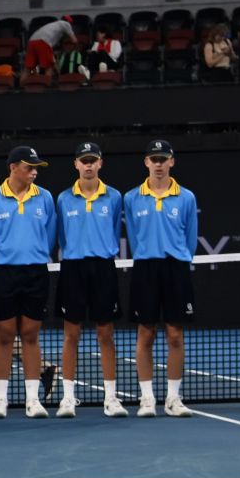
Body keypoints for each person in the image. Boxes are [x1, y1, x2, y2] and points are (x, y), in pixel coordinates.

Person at [0, 146, 57, 418]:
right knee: (5, 335)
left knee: (30, 335)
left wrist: (32, 255)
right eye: (29, 167)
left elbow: (49, 236)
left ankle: (33, 400)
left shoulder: (45, 198)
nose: (34, 171)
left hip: (35, 272)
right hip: (3, 273)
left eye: (36, 167)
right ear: (13, 168)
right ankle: (0, 399)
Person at [124, 141, 198, 418]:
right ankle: (146, 399)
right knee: (146, 334)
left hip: (176, 268)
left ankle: (173, 399)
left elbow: (190, 238)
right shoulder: (132, 198)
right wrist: (146, 254)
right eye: (153, 159)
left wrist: (179, 258)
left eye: (162, 159)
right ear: (146, 162)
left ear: (171, 162)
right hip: (145, 268)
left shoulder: (187, 198)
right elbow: (133, 236)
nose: (158, 163)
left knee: (175, 335)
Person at [55, 142, 125, 418]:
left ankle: (111, 398)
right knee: (71, 334)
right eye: (83, 160)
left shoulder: (115, 197)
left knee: (105, 334)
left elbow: (114, 230)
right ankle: (68, 398)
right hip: (73, 268)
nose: (88, 165)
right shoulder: (63, 199)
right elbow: (59, 235)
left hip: (103, 269)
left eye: (92, 160)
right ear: (76, 164)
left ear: (100, 163)